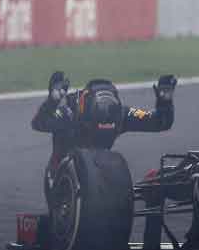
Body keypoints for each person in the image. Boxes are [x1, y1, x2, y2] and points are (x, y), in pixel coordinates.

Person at [32, 71, 177, 205]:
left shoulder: (120, 114)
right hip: (59, 180)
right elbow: (38, 123)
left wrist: (165, 100)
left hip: (98, 176)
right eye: (97, 124)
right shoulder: (69, 111)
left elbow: (160, 122)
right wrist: (51, 102)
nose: (103, 123)